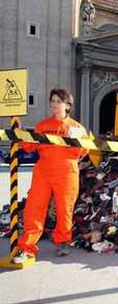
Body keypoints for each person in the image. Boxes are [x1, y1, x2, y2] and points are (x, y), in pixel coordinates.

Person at [13, 89, 88, 263]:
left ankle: (63, 241)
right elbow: (30, 147)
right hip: (43, 171)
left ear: (67, 105)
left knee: (65, 209)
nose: (54, 104)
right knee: (34, 207)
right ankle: (26, 247)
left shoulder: (77, 128)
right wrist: (21, 134)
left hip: (67, 172)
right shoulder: (42, 125)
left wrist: (74, 140)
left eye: (58, 101)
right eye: (52, 101)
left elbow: (82, 152)